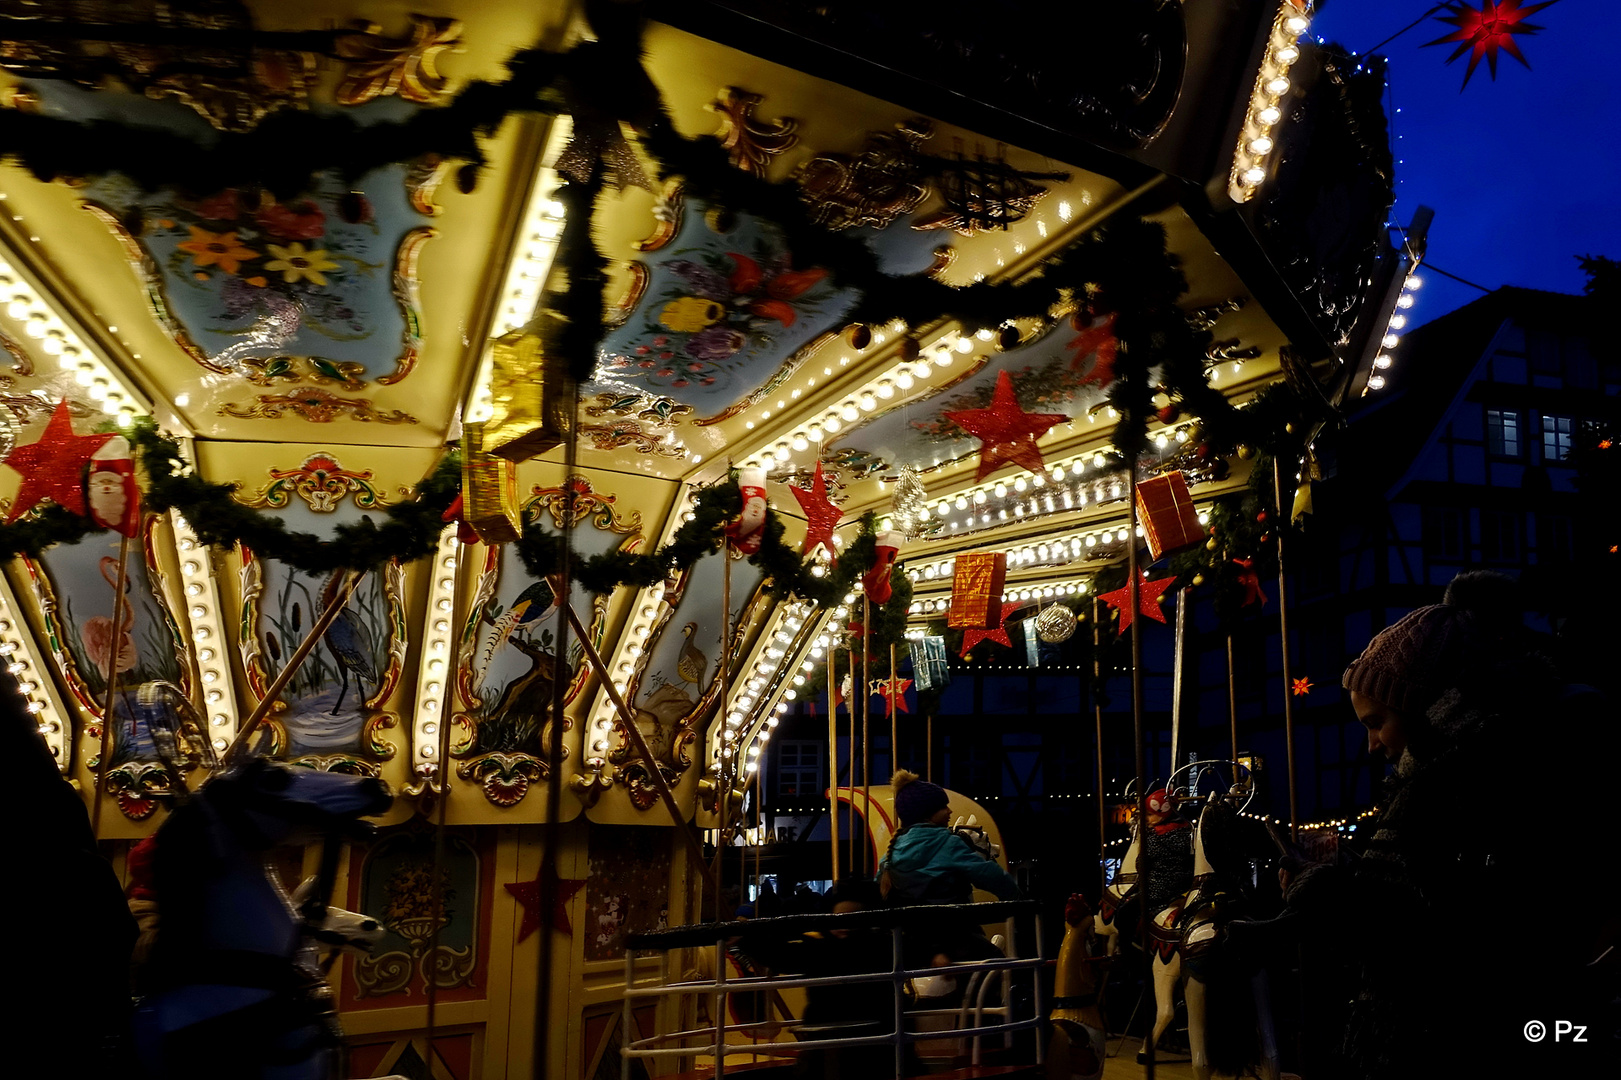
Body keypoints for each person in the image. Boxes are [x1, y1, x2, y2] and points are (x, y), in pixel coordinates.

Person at [1325, 574, 1615, 1078]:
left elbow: (1460, 935)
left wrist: (1331, 900)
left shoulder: (1484, 778)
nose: (1372, 746)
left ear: (1425, 706)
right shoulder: (1447, 775)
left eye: (1376, 722)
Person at [879, 769, 1019, 971]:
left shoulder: (890, 855)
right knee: (1005, 967)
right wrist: (1016, 897)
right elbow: (989, 874)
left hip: (912, 945)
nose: (949, 811)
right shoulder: (946, 842)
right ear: (926, 813)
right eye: (942, 807)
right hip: (954, 938)